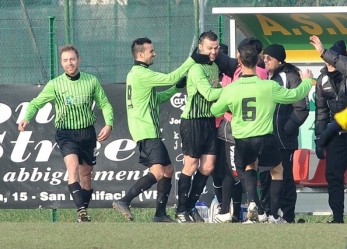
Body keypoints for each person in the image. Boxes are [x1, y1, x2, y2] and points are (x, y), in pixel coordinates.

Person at [210, 39, 313, 224]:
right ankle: (273, 215)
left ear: (239, 61)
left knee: (250, 168)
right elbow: (295, 95)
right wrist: (306, 82)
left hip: (242, 138)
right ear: (258, 60)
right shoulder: (269, 86)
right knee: (277, 171)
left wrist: (229, 104)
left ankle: (251, 204)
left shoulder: (231, 89)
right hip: (265, 137)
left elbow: (215, 111)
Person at [112, 37, 210, 222]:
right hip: (146, 131)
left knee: (168, 170)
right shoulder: (141, 73)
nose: (154, 53)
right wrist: (192, 59)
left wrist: (175, 88)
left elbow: (157, 99)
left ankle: (160, 214)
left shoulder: (137, 74)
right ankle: (124, 200)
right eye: (151, 51)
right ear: (140, 55)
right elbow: (170, 77)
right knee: (158, 172)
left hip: (147, 131)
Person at [18, 45, 114, 223]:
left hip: (87, 132)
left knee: (86, 175)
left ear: (78, 60)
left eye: (72, 59)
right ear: (61, 63)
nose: (69, 63)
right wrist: (27, 117)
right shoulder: (55, 84)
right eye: (65, 60)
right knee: (73, 169)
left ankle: (83, 211)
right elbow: (36, 102)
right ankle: (81, 211)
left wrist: (109, 124)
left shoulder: (91, 81)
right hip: (66, 133)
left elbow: (105, 104)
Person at [212, 38, 269, 223]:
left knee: (236, 171)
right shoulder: (262, 73)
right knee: (240, 170)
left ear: (241, 55)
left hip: (233, 126)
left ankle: (255, 209)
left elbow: (224, 101)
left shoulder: (238, 73)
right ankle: (232, 211)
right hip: (256, 130)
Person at [175, 30, 226, 223]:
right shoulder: (196, 68)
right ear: (200, 48)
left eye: (215, 48)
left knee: (207, 166)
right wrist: (231, 88)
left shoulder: (214, 66)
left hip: (208, 121)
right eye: (209, 48)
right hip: (193, 121)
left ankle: (189, 207)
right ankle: (181, 210)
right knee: (191, 165)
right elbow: (209, 94)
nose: (213, 52)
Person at [258, 44, 310, 223]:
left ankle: (287, 216)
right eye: (264, 57)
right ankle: (266, 214)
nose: (265, 61)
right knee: (264, 177)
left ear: (279, 60)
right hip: (265, 138)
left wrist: (285, 130)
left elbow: (301, 108)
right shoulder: (263, 77)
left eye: (269, 58)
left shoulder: (291, 77)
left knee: (285, 177)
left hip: (283, 140)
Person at [310, 35, 347, 224]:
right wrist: (319, 137)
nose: (329, 63)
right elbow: (322, 112)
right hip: (336, 134)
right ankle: (338, 217)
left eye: (333, 59)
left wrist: (324, 53)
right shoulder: (323, 77)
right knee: (333, 175)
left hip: (341, 126)